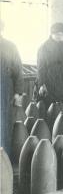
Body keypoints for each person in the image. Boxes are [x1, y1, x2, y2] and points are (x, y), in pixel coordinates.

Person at [0, 20, 23, 148]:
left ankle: (4, 160)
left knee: (4, 125)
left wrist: (18, 93)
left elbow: (18, 70)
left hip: (4, 90)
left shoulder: (10, 47)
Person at [37, 22, 63, 104]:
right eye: (58, 34)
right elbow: (41, 67)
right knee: (50, 103)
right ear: (52, 33)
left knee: (62, 103)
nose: (60, 37)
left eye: (62, 35)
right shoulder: (44, 47)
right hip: (49, 78)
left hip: (61, 78)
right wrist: (41, 84)